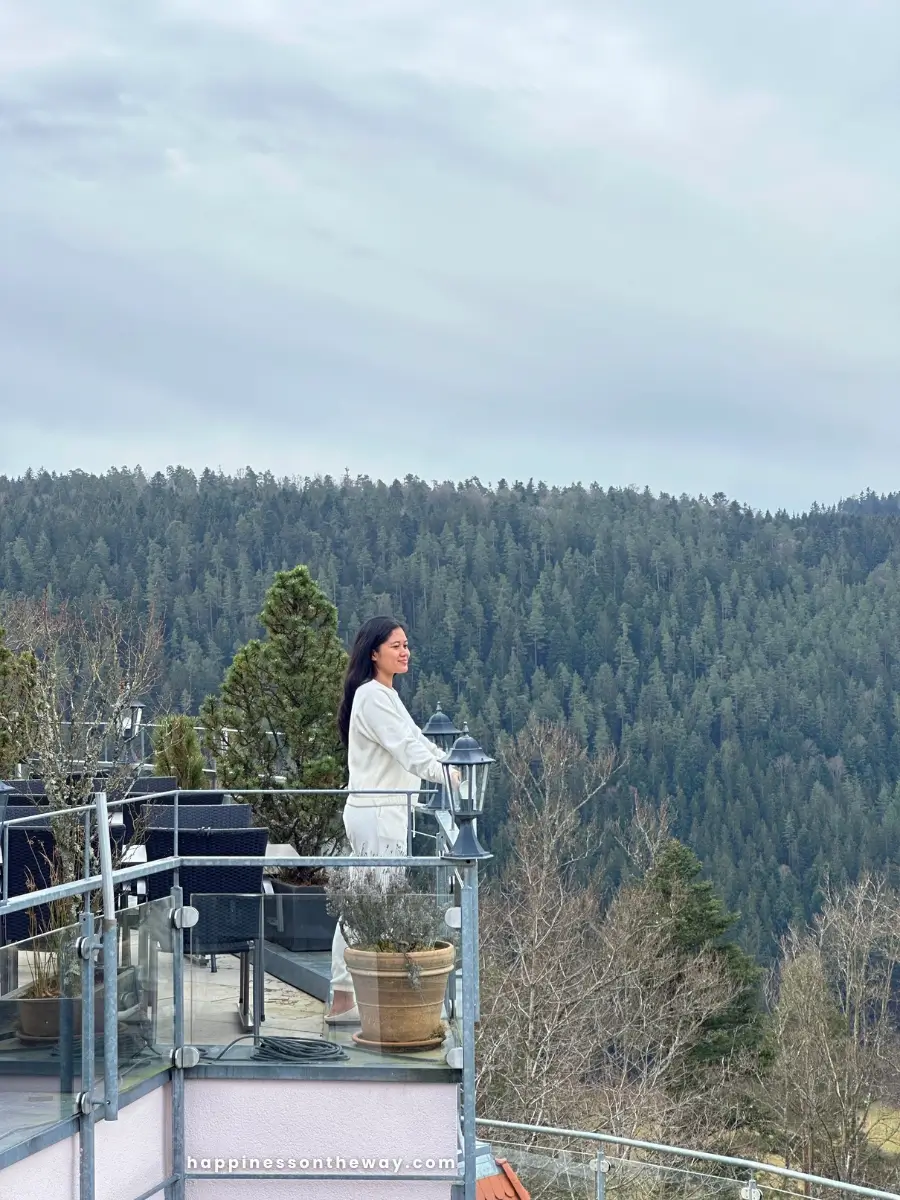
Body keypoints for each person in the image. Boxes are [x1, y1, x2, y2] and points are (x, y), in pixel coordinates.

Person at [325, 616, 457, 1024]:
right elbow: (406, 750)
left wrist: (449, 764)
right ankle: (351, 996)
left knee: (364, 901)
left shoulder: (383, 694)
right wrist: (449, 775)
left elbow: (416, 740)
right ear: (374, 652)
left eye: (406, 645)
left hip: (383, 810)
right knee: (371, 902)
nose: (405, 651)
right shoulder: (372, 696)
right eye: (396, 645)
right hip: (377, 811)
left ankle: (346, 995)